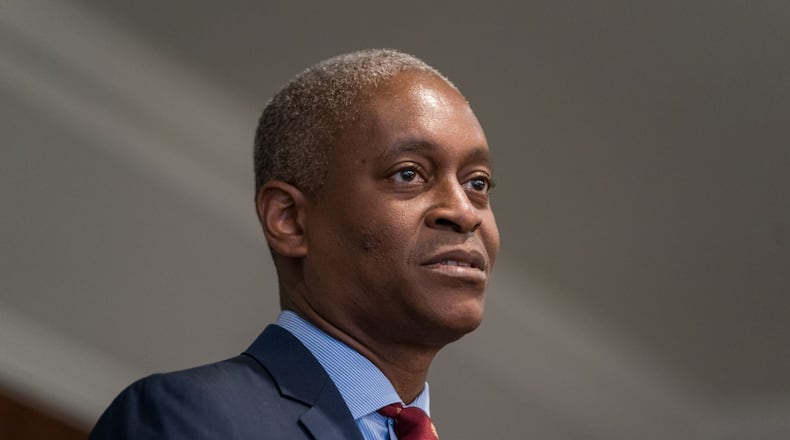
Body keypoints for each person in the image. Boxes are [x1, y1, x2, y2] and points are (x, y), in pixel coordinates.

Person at [90, 48, 499, 440]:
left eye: (477, 183)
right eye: (408, 174)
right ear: (289, 220)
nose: (465, 213)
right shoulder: (193, 415)